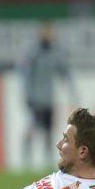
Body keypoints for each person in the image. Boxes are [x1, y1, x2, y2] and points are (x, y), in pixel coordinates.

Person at [21, 21, 78, 168]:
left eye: (50, 32)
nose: (48, 35)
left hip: (48, 99)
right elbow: (26, 75)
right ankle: (25, 160)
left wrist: (72, 92)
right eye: (45, 31)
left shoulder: (55, 52)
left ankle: (47, 161)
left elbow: (64, 72)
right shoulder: (34, 52)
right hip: (35, 99)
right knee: (32, 128)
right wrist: (27, 95)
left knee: (48, 131)